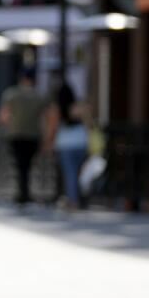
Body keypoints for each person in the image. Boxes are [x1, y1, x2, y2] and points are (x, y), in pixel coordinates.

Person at [0, 66, 49, 206]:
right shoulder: (38, 96)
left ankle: (22, 193)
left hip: (16, 134)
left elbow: (3, 115)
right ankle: (25, 192)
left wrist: (9, 125)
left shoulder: (11, 94)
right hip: (33, 135)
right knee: (27, 165)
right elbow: (46, 117)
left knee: (20, 165)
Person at [48, 80, 89, 209]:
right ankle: (79, 199)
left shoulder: (58, 109)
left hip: (65, 144)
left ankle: (73, 201)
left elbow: (53, 127)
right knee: (79, 174)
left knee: (70, 174)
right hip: (81, 142)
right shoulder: (79, 107)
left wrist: (48, 142)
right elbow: (89, 124)